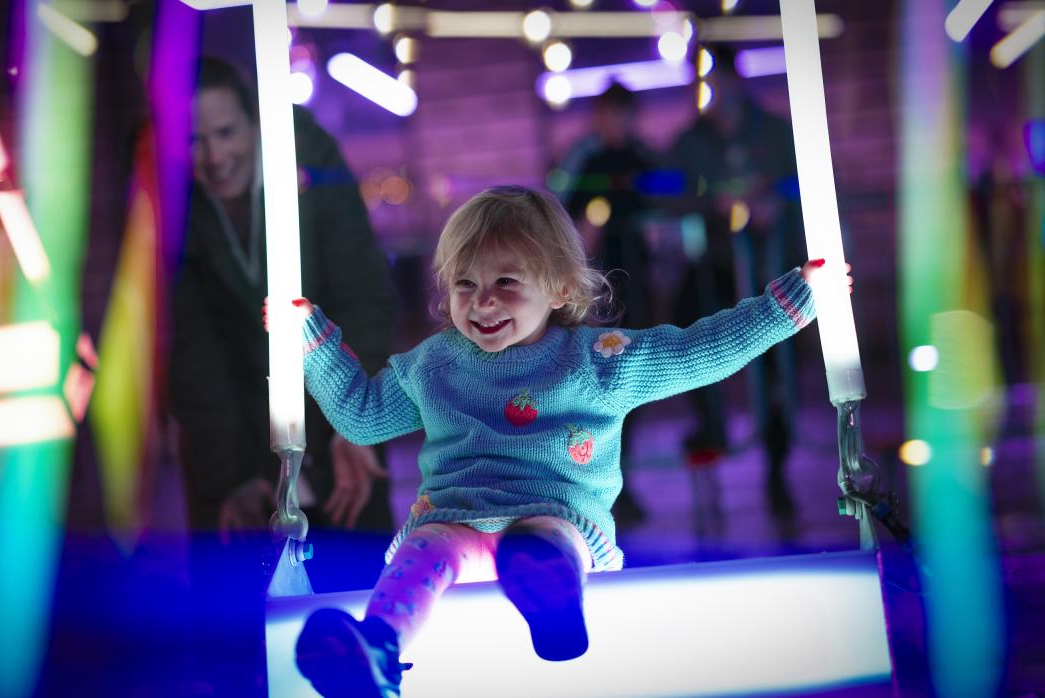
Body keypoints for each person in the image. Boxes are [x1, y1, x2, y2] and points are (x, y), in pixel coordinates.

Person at [267, 185, 849, 696]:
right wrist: (312, 342)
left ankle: (551, 605)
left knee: (541, 542)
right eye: (465, 284)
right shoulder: (436, 363)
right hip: (457, 521)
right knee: (427, 550)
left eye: (506, 282)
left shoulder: (600, 360)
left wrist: (791, 304)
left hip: (556, 517)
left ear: (560, 289)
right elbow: (365, 416)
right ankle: (377, 648)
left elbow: (699, 351)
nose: (483, 301)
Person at [169, 56, 398, 542]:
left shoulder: (311, 158)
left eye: (226, 132)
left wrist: (356, 424)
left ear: (256, 122)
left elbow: (363, 296)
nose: (213, 156)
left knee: (356, 574)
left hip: (338, 411)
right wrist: (229, 472)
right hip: (231, 435)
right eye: (194, 139)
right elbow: (189, 350)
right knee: (240, 599)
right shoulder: (168, 197)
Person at [666, 44, 808, 524]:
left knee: (776, 368)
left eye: (720, 79)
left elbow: (802, 180)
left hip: (772, 265)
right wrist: (710, 207)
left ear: (735, 79)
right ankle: (710, 427)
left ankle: (777, 470)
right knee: (684, 332)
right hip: (716, 269)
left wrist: (775, 201)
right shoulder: (690, 141)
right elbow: (670, 193)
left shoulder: (773, 132)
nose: (714, 90)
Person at [556, 81, 663, 528]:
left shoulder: (644, 159)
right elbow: (565, 212)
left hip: (637, 285)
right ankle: (598, 488)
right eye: (607, 114)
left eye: (621, 114)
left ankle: (623, 484)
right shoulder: (585, 161)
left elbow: (662, 203)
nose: (614, 123)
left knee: (629, 387)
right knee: (595, 384)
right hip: (595, 291)